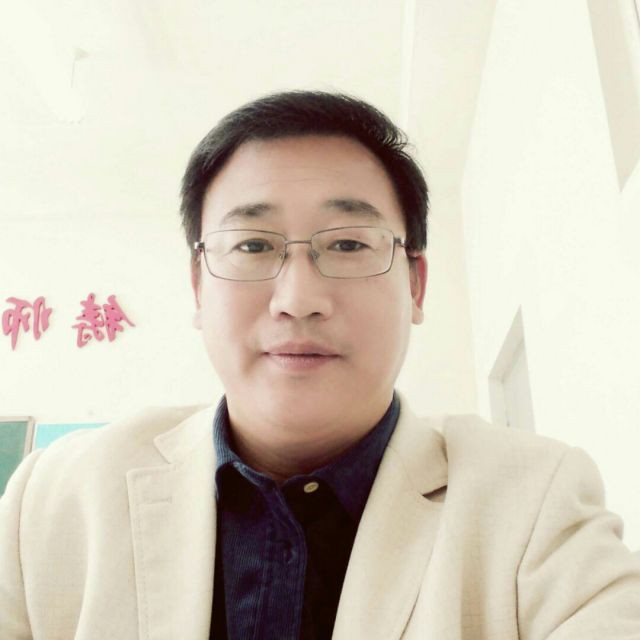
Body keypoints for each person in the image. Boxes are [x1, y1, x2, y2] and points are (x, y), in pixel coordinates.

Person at [1, 90, 639, 640]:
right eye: (253, 244)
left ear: (415, 285)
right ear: (198, 286)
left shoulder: (533, 501)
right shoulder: (55, 501)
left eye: (349, 244)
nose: (298, 299)